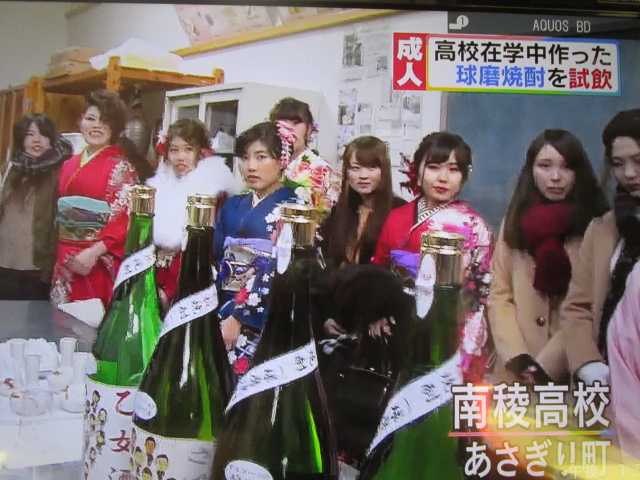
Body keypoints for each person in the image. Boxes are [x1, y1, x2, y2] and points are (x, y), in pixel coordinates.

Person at [371, 131, 494, 383]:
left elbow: (482, 293)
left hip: (450, 329)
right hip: (399, 328)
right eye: (434, 167)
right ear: (419, 170)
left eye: (453, 169)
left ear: (464, 176)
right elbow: (379, 273)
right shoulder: (397, 217)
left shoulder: (474, 227)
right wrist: (377, 312)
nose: (443, 178)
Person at [488, 129, 609, 385]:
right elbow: (500, 295)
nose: (555, 177)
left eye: (566, 167)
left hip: (571, 372)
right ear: (531, 170)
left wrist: (547, 365)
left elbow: (590, 306)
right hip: (514, 372)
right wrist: (518, 357)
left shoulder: (598, 227)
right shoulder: (515, 220)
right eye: (545, 166)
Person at [50, 89, 154, 308]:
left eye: (105, 121)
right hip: (65, 253)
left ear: (115, 128)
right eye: (90, 118)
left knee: (88, 317)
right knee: (60, 317)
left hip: (96, 258)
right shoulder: (69, 164)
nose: (96, 126)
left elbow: (125, 217)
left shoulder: (120, 167)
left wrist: (94, 252)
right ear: (80, 122)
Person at [561, 108, 640, 388]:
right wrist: (588, 363)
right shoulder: (603, 228)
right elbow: (577, 306)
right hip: (606, 386)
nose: (628, 173)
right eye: (618, 163)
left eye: (638, 160)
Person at [214, 121, 297, 378]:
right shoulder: (232, 205)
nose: (251, 166)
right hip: (221, 304)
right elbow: (215, 258)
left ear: (282, 161)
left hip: (262, 312)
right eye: (245, 157)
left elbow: (281, 270)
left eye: (261, 157)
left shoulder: (293, 209)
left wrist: (239, 315)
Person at [146, 118, 240, 311]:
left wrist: (169, 289)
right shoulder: (161, 184)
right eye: (174, 150)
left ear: (201, 152)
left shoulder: (212, 190)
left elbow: (206, 245)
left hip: (188, 270)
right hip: (155, 269)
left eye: (188, 149)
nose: (180, 157)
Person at [0, 114, 73, 299]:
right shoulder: (10, 169)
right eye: (30, 134)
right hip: (5, 263)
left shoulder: (62, 172)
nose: (37, 140)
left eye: (43, 134)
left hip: (38, 269)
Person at [269, 97, 340, 215]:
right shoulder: (268, 163)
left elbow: (324, 215)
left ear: (309, 128)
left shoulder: (319, 169)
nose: (289, 129)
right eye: (282, 123)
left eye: (296, 123)